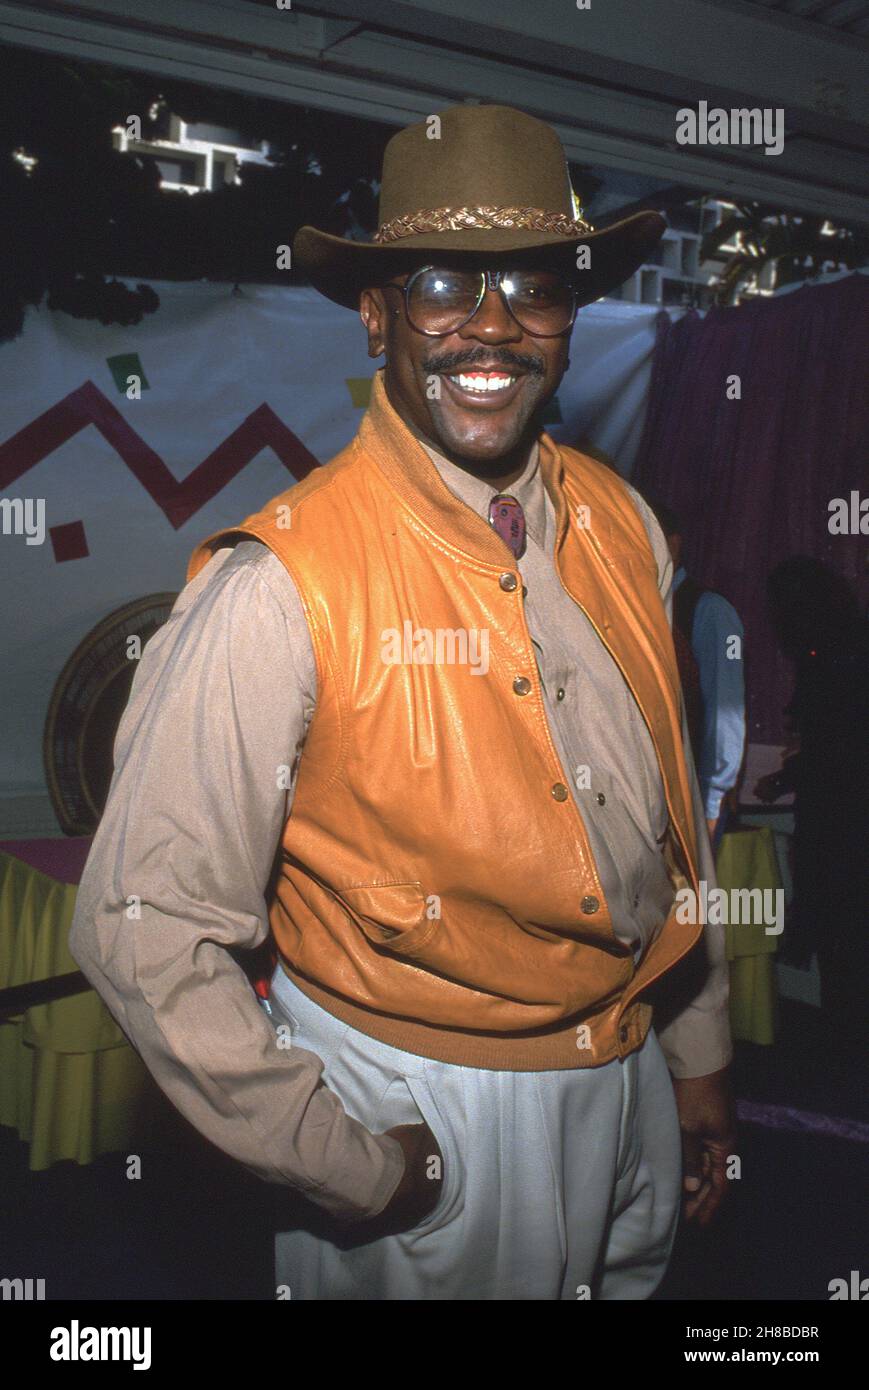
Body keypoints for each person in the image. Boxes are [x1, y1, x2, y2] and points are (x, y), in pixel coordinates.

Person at [69, 103, 735, 1301]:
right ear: (375, 314)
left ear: (570, 320)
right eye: (440, 285)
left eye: (531, 286)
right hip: (429, 1114)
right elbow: (140, 925)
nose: (491, 327)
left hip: (628, 1073)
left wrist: (694, 1060)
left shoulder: (626, 525)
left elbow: (668, 822)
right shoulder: (276, 584)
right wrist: (352, 1166)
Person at [754, 556, 868, 1054]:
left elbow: (834, 747)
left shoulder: (829, 658)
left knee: (839, 927)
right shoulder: (844, 648)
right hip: (844, 810)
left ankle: (844, 1036)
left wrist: (787, 777)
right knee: (846, 928)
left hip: (839, 817)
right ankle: (846, 1033)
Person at [649, 500, 746, 852]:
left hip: (693, 802)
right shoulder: (638, 608)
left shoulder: (710, 611)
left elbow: (726, 711)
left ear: (672, 545)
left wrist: (711, 804)